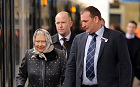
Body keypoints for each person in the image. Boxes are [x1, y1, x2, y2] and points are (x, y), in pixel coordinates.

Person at [64, 6, 132, 87]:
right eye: (82, 22)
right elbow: (71, 66)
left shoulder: (116, 37)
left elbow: (125, 66)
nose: (83, 25)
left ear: (96, 19)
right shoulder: (78, 39)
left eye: (85, 21)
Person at [125, 21, 140, 86]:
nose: (131, 29)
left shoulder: (138, 41)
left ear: (135, 29)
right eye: (130, 27)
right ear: (127, 27)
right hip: (120, 67)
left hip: (133, 68)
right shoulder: (120, 39)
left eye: (133, 27)